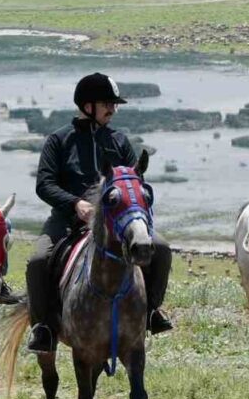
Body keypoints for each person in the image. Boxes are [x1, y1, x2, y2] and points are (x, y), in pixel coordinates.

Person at [24, 73, 173, 354]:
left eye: (114, 104)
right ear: (87, 105)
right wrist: (75, 204)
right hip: (69, 221)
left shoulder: (118, 141)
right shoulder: (59, 140)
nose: (113, 109)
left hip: (115, 224)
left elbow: (134, 181)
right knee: (37, 260)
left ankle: (152, 311)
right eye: (107, 103)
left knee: (161, 248)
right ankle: (42, 327)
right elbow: (44, 184)